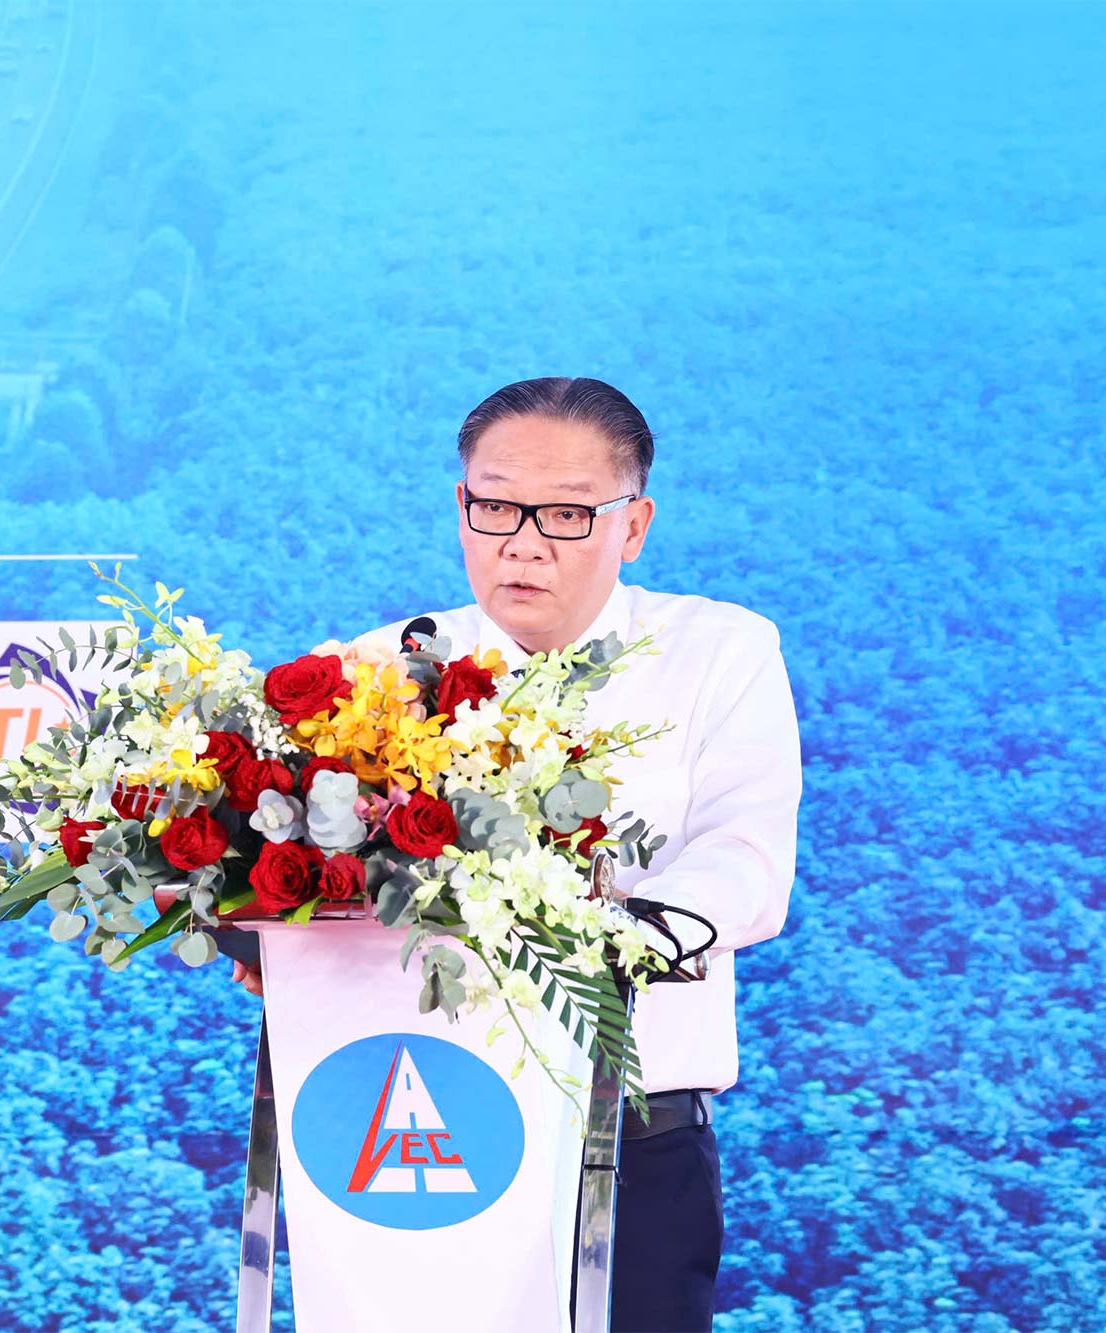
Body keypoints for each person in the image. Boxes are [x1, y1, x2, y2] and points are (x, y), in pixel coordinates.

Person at [234, 375, 804, 1332]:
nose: (523, 540)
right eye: (495, 504)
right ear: (462, 505)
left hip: (627, 1142)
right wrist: (260, 922)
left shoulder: (719, 650)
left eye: (569, 513)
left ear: (634, 524)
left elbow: (744, 855)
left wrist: (624, 930)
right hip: (416, 1137)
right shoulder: (383, 666)